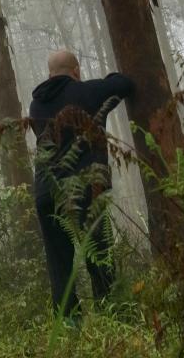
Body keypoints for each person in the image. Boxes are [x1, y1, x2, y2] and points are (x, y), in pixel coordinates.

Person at [29, 49, 134, 317]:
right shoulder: (87, 93)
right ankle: (110, 312)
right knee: (98, 254)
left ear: (49, 74)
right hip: (84, 188)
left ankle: (69, 323)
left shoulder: (36, 104)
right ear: (76, 71)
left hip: (47, 191)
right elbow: (124, 84)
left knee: (59, 264)